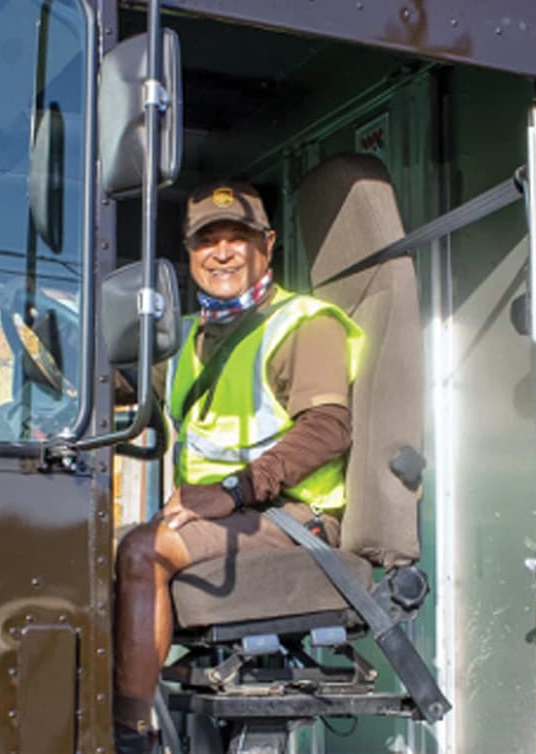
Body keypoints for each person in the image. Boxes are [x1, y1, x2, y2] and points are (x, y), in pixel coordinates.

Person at [113, 182, 363, 753]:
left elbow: (328, 428)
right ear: (189, 252)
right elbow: (121, 390)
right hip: (225, 518)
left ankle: (127, 737)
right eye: (207, 239)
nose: (222, 252)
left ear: (266, 246)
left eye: (238, 238)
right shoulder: (182, 340)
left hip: (297, 519)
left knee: (142, 551)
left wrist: (235, 489)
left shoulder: (303, 323)